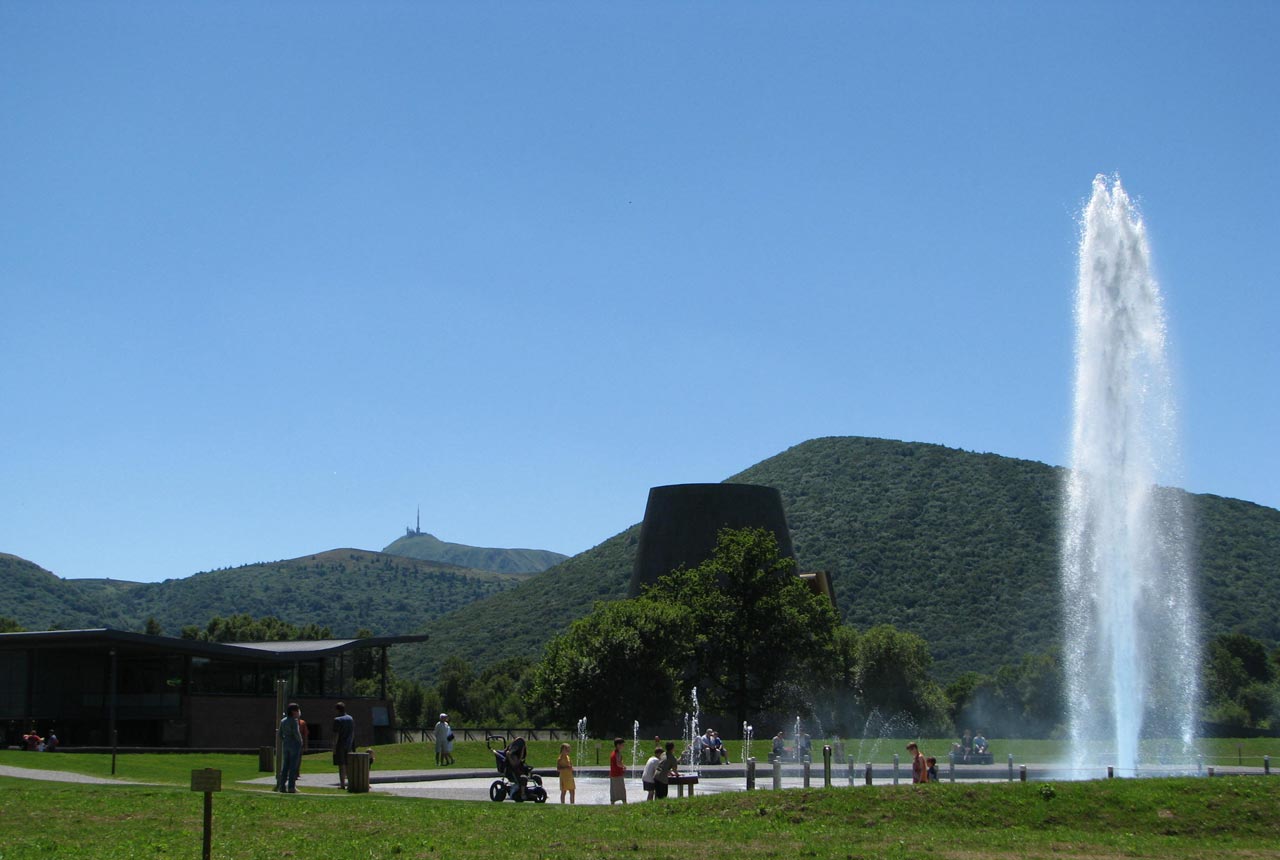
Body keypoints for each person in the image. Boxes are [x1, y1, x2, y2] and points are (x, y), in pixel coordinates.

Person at [278, 703, 303, 793]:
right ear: (293, 711)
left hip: (286, 744)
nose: (298, 712)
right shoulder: (294, 721)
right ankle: (291, 787)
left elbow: (280, 734)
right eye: (297, 710)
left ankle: (282, 786)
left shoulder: (283, 721)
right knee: (293, 766)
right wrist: (300, 742)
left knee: (285, 766)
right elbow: (296, 733)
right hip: (294, 745)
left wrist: (285, 739)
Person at [332, 702, 355, 790]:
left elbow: (336, 735)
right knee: (349, 765)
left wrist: (334, 747)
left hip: (340, 745)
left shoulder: (337, 720)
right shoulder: (350, 718)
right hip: (349, 744)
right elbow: (353, 733)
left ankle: (342, 784)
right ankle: (350, 783)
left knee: (342, 765)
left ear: (337, 710)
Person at [608, 736, 627, 804]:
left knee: (613, 790)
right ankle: (624, 802)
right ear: (618, 745)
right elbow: (618, 763)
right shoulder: (617, 753)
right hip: (617, 774)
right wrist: (623, 766)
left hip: (613, 774)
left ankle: (612, 802)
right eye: (622, 744)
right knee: (621, 789)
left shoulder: (614, 753)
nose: (623, 746)